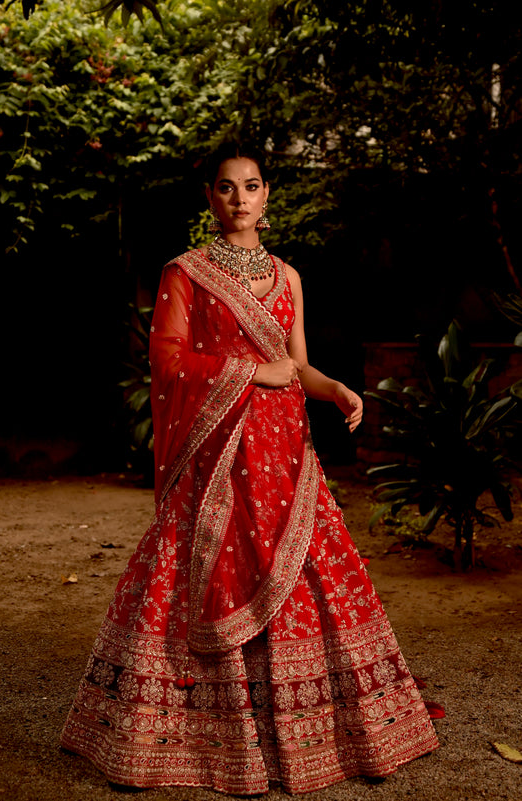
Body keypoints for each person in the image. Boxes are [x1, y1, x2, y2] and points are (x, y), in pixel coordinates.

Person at [61, 142, 439, 794]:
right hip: (215, 458)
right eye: (227, 186)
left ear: (267, 196)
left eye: (252, 185)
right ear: (209, 197)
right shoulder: (184, 274)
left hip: (285, 458)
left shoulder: (288, 277)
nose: (240, 197)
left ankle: (313, 728)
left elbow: (298, 362)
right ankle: (193, 733)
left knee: (309, 576)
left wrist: (336, 388)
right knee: (199, 567)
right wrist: (249, 372)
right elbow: (168, 362)